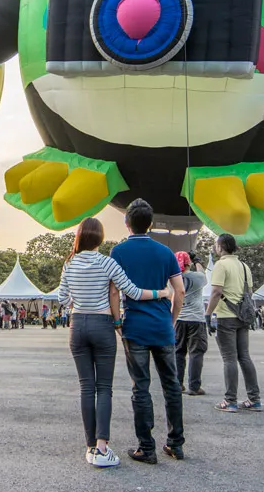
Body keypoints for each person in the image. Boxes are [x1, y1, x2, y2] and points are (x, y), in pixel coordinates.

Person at [58, 216, 171, 468]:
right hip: (102, 325)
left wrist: (79, 300)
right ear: (100, 237)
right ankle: (102, 447)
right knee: (104, 388)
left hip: (77, 326)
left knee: (86, 387)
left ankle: (90, 447)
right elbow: (132, 292)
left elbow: (62, 298)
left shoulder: (70, 263)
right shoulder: (107, 263)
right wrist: (162, 292)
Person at [111, 199, 186, 464]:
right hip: (162, 325)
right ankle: (175, 443)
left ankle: (146, 447)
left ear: (127, 223)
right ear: (151, 224)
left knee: (140, 387)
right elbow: (179, 291)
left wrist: (117, 322)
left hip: (135, 327)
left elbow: (114, 291)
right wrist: (172, 320)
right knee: (171, 385)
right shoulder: (165, 252)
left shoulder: (118, 252)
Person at [206, 234, 262, 413]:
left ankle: (230, 401)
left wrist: (208, 313)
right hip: (243, 317)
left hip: (225, 316)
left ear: (221, 247)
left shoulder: (221, 265)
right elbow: (249, 292)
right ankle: (254, 399)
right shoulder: (244, 266)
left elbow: (216, 292)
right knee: (244, 356)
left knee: (229, 358)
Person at [174, 251, 208, 396]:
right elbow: (203, 273)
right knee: (196, 352)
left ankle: (177, 384)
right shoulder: (197, 277)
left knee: (178, 352)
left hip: (179, 318)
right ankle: (194, 386)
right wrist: (197, 261)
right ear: (188, 263)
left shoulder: (172, 278)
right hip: (196, 319)